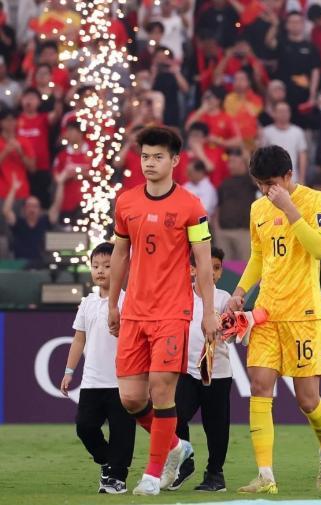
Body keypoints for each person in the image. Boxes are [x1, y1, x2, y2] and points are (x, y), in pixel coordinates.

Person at [108, 126, 219, 496]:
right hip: (134, 311)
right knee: (131, 399)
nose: (150, 163)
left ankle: (153, 476)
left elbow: (203, 263)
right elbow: (120, 255)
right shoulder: (126, 203)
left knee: (161, 390)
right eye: (145, 156)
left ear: (175, 160)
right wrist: (113, 303)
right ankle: (175, 446)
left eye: (158, 157)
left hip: (173, 311)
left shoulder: (191, 206)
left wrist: (208, 312)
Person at [226, 145, 321, 494]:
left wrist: (289, 209)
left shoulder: (316, 200)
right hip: (266, 313)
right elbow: (259, 255)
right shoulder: (257, 208)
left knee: (308, 401)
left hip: (304, 314)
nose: (265, 191)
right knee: (260, 387)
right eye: (260, 184)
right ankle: (265, 475)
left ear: (289, 176)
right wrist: (240, 291)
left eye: (271, 183)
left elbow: (319, 249)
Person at [59, 242, 135, 494]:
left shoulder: (129, 301)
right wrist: (69, 372)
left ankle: (117, 478)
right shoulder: (87, 303)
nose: (100, 270)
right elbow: (78, 339)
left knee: (122, 432)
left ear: (121, 268)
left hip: (123, 380)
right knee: (85, 427)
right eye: (95, 266)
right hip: (92, 380)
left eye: (107, 266)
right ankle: (107, 462)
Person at [170, 247, 232, 492]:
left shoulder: (225, 299)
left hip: (217, 374)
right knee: (174, 418)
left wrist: (229, 325)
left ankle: (215, 475)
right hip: (186, 371)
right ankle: (184, 461)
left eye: (217, 268)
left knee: (216, 427)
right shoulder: (180, 295)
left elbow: (234, 336)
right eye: (208, 267)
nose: (212, 273)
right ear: (192, 269)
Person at [2, 170, 65, 265]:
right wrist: (13, 189)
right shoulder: (18, 223)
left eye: (35, 206)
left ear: (40, 210)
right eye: (29, 206)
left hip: (41, 265)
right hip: (20, 265)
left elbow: (57, 205)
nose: (32, 209)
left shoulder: (45, 221)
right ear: (24, 209)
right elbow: (6, 211)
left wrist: (60, 184)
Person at [216, 148, 257, 261]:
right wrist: (217, 230)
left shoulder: (250, 181)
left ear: (243, 163)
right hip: (223, 232)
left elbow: (258, 179)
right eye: (229, 162)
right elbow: (218, 207)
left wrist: (248, 159)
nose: (230, 165)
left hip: (244, 232)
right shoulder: (224, 183)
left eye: (233, 161)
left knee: (245, 267)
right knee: (224, 268)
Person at [260, 102, 308, 184]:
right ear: (274, 113)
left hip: (293, 179)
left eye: (286, 111)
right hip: (272, 180)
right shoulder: (266, 132)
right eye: (280, 111)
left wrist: (302, 178)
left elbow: (302, 156)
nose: (284, 114)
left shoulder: (298, 132)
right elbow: (261, 157)